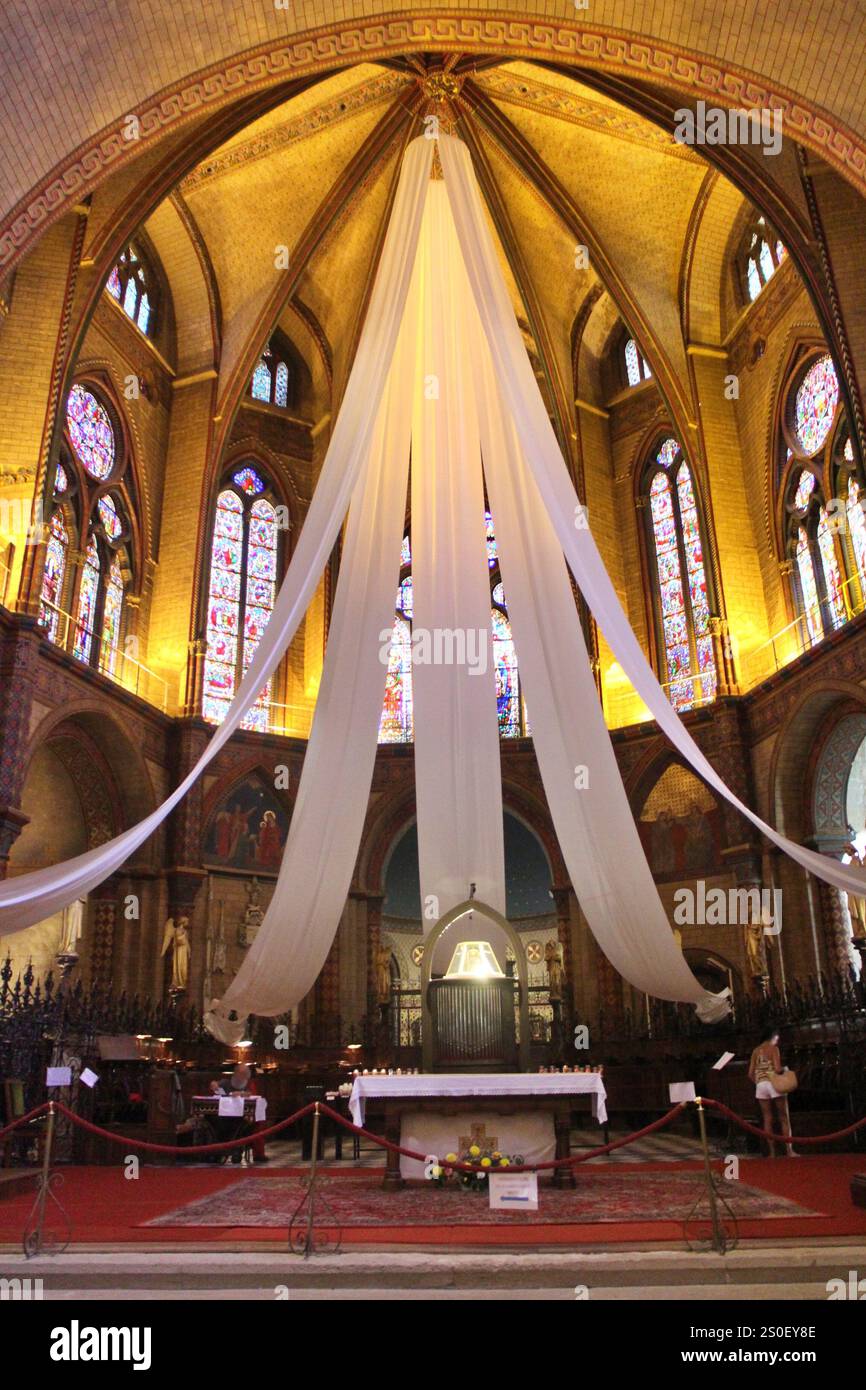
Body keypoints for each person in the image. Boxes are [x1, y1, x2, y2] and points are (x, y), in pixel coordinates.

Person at [748, 1027, 796, 1157]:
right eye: (777, 1037)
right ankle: (789, 1150)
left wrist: (759, 1082)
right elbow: (777, 1068)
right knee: (783, 1117)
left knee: (767, 1118)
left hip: (761, 1085)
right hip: (773, 1083)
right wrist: (786, 1070)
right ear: (773, 1036)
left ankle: (772, 1152)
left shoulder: (756, 1051)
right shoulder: (774, 1049)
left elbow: (750, 1073)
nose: (778, 1040)